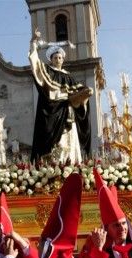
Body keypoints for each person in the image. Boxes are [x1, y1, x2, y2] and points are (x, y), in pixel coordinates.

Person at [29, 28, 93, 164]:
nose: (58, 59)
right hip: (53, 112)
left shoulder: (69, 77)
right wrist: (33, 42)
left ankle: (71, 165)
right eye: (55, 57)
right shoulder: (48, 71)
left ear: (63, 59)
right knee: (58, 145)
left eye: (60, 58)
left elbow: (80, 92)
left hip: (68, 113)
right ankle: (56, 166)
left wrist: (84, 96)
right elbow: (34, 64)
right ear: (51, 60)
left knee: (71, 141)